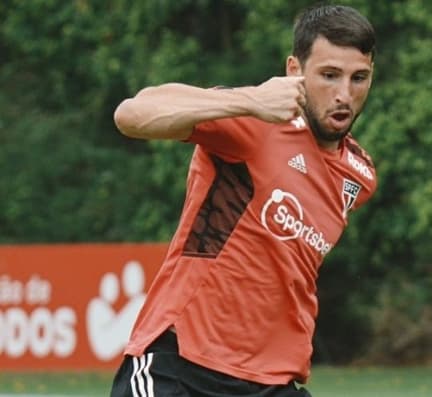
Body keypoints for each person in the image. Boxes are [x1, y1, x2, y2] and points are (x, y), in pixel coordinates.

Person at [109, 4, 377, 397]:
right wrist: (248, 100)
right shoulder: (255, 122)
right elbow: (132, 114)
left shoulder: (359, 176)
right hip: (181, 364)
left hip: (272, 381)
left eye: (359, 78)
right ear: (294, 70)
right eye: (329, 75)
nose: (344, 94)